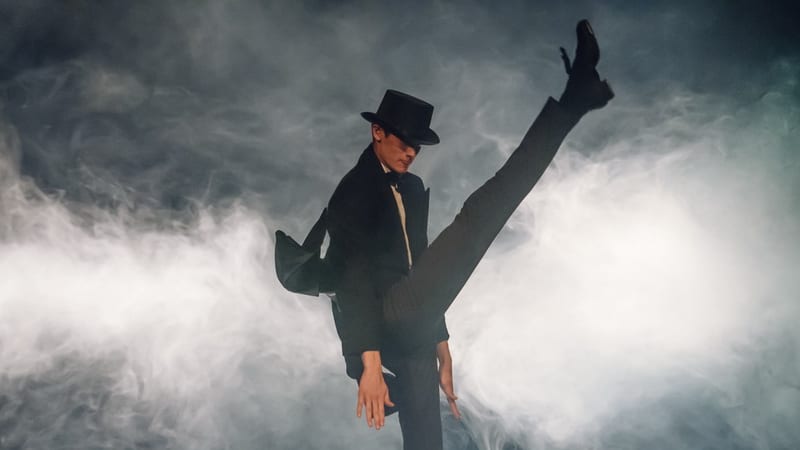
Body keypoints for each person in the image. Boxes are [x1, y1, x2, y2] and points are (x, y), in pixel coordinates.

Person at [277, 19, 613, 450]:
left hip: (412, 325)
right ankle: (574, 100)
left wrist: (442, 347)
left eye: (417, 146)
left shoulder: (411, 187)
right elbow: (352, 281)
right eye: (403, 142)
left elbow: (420, 265)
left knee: (425, 442)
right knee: (483, 212)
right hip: (380, 320)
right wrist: (370, 365)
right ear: (377, 132)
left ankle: (577, 97)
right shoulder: (354, 190)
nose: (411, 153)